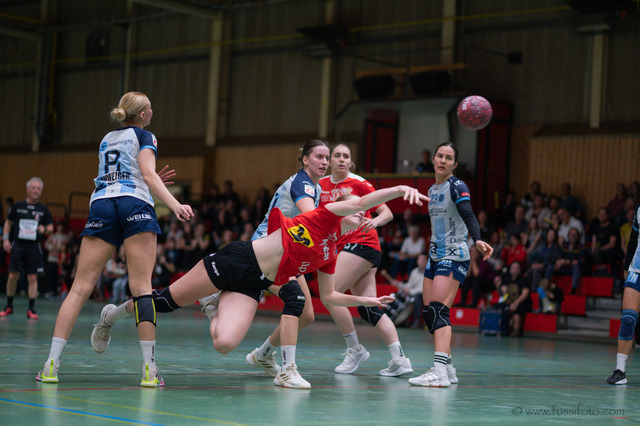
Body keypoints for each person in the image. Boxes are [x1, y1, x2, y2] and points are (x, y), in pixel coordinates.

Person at [91, 185, 428, 389]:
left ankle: (211, 305)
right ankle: (110, 316)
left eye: (363, 216)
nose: (362, 215)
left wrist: (365, 300)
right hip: (236, 260)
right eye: (358, 210)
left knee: (224, 344)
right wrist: (401, 190)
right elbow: (358, 204)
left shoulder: (331, 253)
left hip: (255, 283)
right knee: (164, 303)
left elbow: (329, 296)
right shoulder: (324, 215)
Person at [35, 92, 194, 387]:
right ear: (142, 114)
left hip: (102, 205)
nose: (152, 111)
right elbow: (147, 175)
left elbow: (125, 175)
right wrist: (174, 204)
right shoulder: (145, 135)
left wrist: (145, 179)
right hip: (135, 205)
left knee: (79, 289)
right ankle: (149, 370)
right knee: (142, 289)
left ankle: (50, 366)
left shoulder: (107, 139)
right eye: (150, 107)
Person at [236, 139, 330, 381]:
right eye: (319, 157)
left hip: (287, 252)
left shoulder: (315, 187)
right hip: (267, 251)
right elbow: (312, 218)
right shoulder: (303, 184)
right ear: (305, 160)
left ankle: (263, 354)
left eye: (326, 158)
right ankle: (288, 370)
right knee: (295, 299)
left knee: (307, 315)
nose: (325, 162)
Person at [317, 143, 412, 376]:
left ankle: (355, 349)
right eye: (337, 155)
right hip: (348, 247)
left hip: (362, 242)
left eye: (346, 156)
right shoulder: (320, 185)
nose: (341, 159)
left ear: (351, 162)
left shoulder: (359, 183)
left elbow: (387, 213)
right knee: (369, 308)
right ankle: (400, 360)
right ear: (329, 160)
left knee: (331, 294)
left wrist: (374, 222)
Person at [408, 142, 493, 388]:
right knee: (429, 314)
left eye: (448, 158)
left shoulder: (457, 186)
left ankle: (439, 373)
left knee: (438, 310)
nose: (443, 161)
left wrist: (477, 239)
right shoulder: (432, 189)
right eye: (440, 156)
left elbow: (469, 214)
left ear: (454, 165)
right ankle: (448, 368)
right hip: (435, 256)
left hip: (454, 255)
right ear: (433, 160)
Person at [0, 177, 54, 319]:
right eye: (33, 188)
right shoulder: (17, 206)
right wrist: (5, 239)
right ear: (28, 190)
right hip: (18, 246)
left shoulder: (43, 209)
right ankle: (9, 306)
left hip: (34, 247)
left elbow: (51, 227)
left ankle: (31, 309)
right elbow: (8, 223)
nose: (36, 191)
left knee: (32, 277)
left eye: (38, 189)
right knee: (13, 275)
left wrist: (44, 229)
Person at [608, 203, 640, 385]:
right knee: (628, 319)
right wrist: (627, 268)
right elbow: (634, 240)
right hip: (637, 271)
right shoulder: (639, 210)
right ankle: (620, 371)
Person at [382, 254, 428, 328]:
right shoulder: (415, 271)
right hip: (412, 293)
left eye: (423, 260)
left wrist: (409, 291)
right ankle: (401, 320)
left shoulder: (428, 273)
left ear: (427, 262)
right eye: (419, 259)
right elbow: (409, 285)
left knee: (417, 297)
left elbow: (422, 289)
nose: (420, 262)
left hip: (424, 296)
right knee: (399, 294)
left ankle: (417, 320)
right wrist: (399, 284)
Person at [493, 261, 531, 336]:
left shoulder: (524, 280)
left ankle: (515, 331)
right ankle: (498, 329)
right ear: (510, 269)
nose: (515, 270)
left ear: (520, 270)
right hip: (509, 301)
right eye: (514, 268)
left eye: (517, 268)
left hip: (521, 302)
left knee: (516, 311)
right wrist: (497, 286)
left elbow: (525, 294)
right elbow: (502, 294)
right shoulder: (506, 279)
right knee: (496, 306)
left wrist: (515, 303)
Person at [554, 227, 586, 294]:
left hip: (574, 268)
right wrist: (558, 262)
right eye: (571, 234)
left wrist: (566, 261)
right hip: (564, 267)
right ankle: (552, 289)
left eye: (575, 234)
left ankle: (573, 290)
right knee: (551, 267)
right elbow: (559, 256)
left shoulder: (581, 247)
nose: (573, 236)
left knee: (576, 268)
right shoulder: (564, 245)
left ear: (578, 236)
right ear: (568, 235)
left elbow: (580, 261)